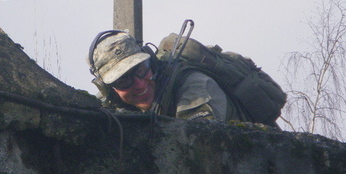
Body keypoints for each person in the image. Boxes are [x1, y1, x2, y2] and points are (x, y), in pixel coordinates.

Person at [88, 30, 241, 121]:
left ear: (152, 63)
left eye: (140, 70)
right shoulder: (105, 103)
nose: (140, 85)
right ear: (107, 88)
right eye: (123, 80)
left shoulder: (195, 88)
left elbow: (200, 150)